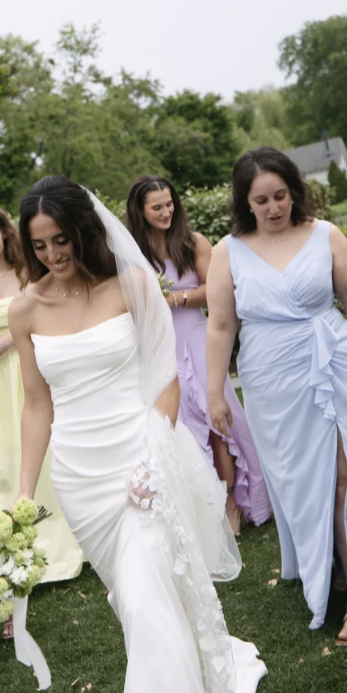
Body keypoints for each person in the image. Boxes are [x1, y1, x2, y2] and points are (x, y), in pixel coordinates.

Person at [8, 175, 266, 693]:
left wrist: (155, 452)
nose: (54, 254)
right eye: (39, 245)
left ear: (84, 232)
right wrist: (25, 494)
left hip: (141, 457)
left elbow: (167, 375)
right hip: (82, 478)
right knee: (138, 610)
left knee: (151, 606)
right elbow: (37, 405)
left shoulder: (128, 283)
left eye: (62, 239)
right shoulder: (24, 309)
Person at [206, 149, 347, 644]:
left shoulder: (326, 234)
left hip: (334, 358)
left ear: (293, 191)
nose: (274, 207)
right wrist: (216, 391)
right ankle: (332, 564)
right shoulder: (227, 251)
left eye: (280, 196)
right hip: (270, 377)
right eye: (262, 200)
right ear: (246, 202)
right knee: (302, 481)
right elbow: (219, 326)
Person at [126, 175, 271, 534]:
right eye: (156, 207)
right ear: (140, 212)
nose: (166, 211)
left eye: (169, 203)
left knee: (216, 424)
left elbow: (216, 292)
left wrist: (175, 298)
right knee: (183, 430)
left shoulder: (193, 242)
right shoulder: (131, 255)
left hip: (196, 337)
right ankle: (202, 506)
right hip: (160, 347)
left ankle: (232, 504)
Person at [0, 204, 83, 613]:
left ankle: (55, 544)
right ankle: (6, 545)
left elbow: (39, 315)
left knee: (36, 448)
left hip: (23, 366)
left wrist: (10, 341)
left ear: (5, 234)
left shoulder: (24, 272)